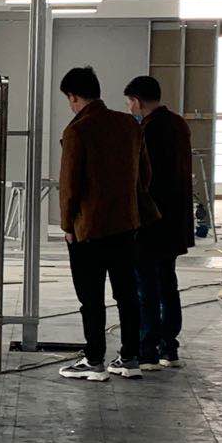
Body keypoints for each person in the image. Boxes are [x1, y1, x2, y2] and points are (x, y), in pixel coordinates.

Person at [56, 66, 152, 381]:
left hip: (89, 228)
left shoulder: (77, 130)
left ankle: (94, 360)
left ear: (73, 97)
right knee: (127, 294)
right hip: (126, 224)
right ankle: (130, 358)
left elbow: (69, 185)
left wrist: (67, 225)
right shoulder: (128, 125)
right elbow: (144, 175)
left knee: (91, 297)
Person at [124, 74, 194, 369]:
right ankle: (169, 348)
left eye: (129, 102)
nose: (129, 108)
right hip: (175, 221)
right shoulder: (179, 124)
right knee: (168, 283)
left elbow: (142, 179)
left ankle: (147, 350)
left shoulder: (146, 130)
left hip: (151, 220)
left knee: (146, 287)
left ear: (137, 101)